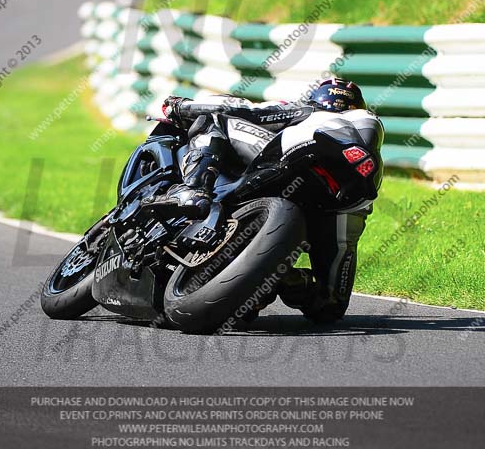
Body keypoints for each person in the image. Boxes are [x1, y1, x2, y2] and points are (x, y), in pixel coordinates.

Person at [160, 78, 384, 324]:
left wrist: (180, 107)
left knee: (214, 120)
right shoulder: (369, 128)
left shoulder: (307, 111)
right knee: (330, 305)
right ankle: (285, 278)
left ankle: (195, 188)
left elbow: (239, 108)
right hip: (351, 197)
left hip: (294, 156)